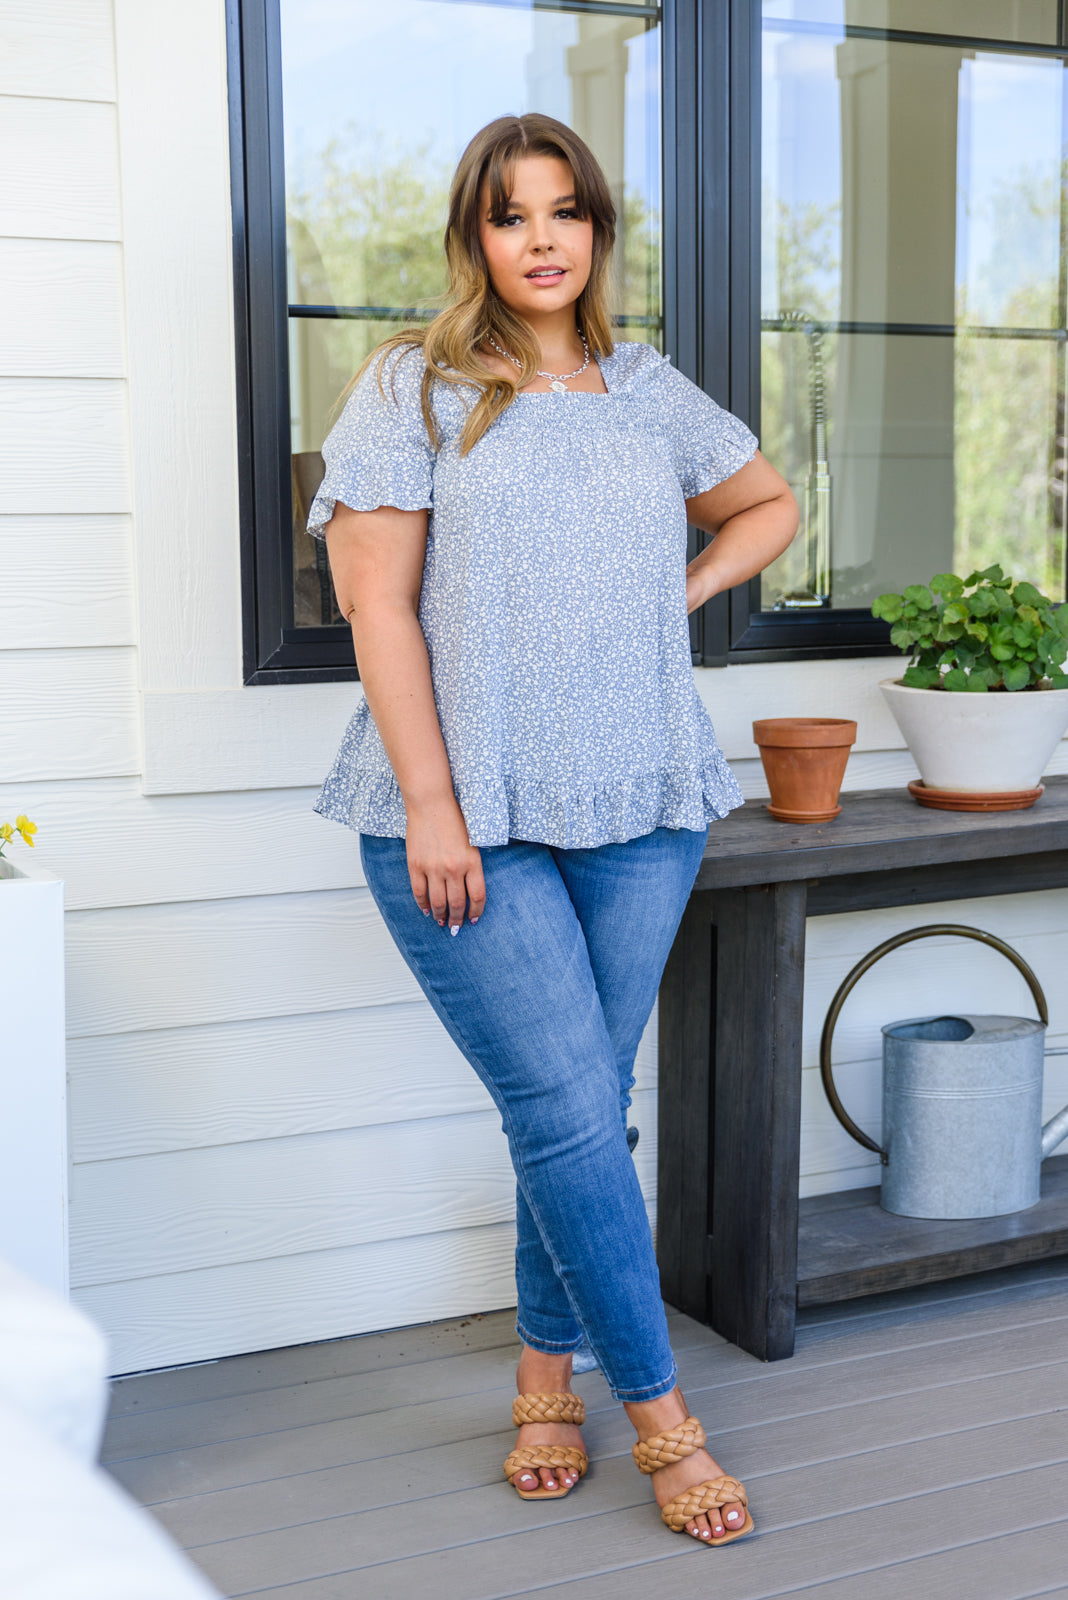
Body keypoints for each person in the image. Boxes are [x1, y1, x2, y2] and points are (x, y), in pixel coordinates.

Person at [308, 112, 797, 1546]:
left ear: (596, 232)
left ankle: (543, 1379)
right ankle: (662, 1419)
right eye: (512, 213)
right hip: (467, 812)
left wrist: (674, 596)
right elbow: (376, 607)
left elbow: (767, 504)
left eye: (565, 211)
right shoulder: (415, 386)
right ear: (475, 235)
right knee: (573, 1113)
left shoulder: (644, 387)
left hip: (643, 800)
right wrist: (436, 806)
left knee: (577, 1107)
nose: (541, 238)